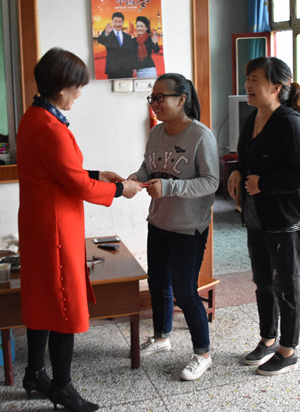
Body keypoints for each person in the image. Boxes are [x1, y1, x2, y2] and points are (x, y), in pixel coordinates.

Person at [17, 48, 142, 412]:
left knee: (42, 299)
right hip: (56, 230)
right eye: (78, 87)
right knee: (63, 305)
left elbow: (59, 171)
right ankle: (62, 387)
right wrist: (119, 190)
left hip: (40, 224)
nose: (80, 94)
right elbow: (77, 185)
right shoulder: (50, 128)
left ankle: (34, 374)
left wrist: (98, 173)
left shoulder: (34, 116)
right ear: (62, 88)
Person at [128, 73, 219, 380]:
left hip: (188, 227)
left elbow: (211, 182)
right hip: (158, 221)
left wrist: (168, 188)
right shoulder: (156, 132)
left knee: (185, 291)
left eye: (161, 97)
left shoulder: (201, 136)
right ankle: (161, 337)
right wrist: (136, 178)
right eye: (152, 98)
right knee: (157, 284)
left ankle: (203, 354)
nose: (155, 103)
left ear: (181, 99)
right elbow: (149, 166)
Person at [227, 57, 300, 376]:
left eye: (255, 80)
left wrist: (264, 184)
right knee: (263, 282)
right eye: (248, 78)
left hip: (284, 220)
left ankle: (288, 350)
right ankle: (268, 338)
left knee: (286, 285)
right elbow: (246, 156)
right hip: (256, 216)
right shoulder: (253, 116)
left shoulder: (290, 122)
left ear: (276, 87)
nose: (248, 85)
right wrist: (238, 170)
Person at [97, 12, 135, 79]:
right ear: (112, 22)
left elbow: (131, 53)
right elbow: (100, 40)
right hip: (113, 70)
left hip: (127, 71)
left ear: (122, 22)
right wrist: (107, 32)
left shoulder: (127, 37)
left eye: (119, 22)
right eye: (115, 22)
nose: (117, 24)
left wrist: (134, 67)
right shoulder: (108, 34)